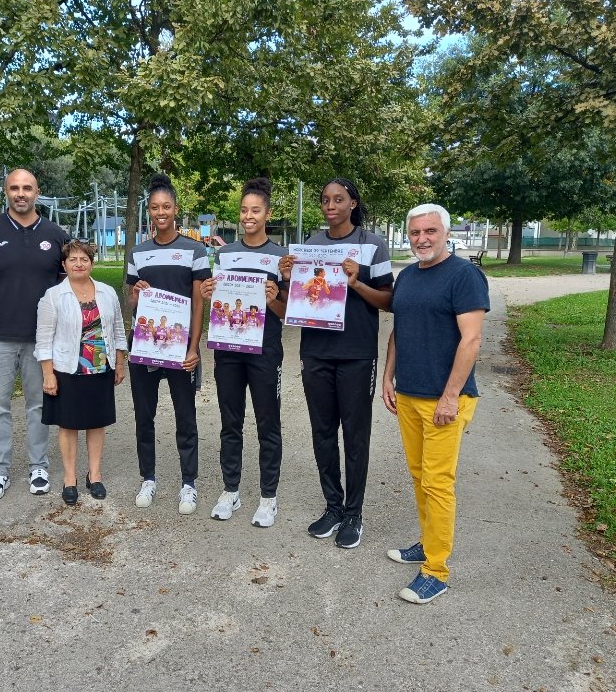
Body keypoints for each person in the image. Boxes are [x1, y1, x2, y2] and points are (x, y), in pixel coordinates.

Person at [381, 203, 489, 604]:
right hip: (409, 395)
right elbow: (399, 329)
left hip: (446, 400)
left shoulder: (465, 276)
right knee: (418, 474)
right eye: (415, 233)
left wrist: (450, 395)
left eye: (430, 232)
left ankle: (436, 570)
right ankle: (428, 543)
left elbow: (472, 340)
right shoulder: (407, 276)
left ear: (446, 233)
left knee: (438, 483)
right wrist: (388, 376)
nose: (422, 239)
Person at [279, 178, 392, 548]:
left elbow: (388, 301)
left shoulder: (372, 245)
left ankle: (354, 512)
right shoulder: (310, 245)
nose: (331, 205)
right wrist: (287, 278)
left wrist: (356, 283)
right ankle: (333, 506)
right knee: (322, 432)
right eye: (325, 199)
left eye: (339, 199)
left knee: (355, 435)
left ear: (353, 203)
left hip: (357, 353)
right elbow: (295, 301)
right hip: (316, 352)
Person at [0, 168, 69, 501]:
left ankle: (39, 465)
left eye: (28, 188)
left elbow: (68, 281)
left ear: (37, 192)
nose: (21, 194)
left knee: (39, 404)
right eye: (15, 188)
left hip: (41, 339)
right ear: (5, 192)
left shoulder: (56, 233)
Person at [201, 177, 287, 528]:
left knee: (268, 423)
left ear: (267, 214)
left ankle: (269, 498)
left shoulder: (281, 257)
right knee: (229, 422)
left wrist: (274, 298)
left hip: (266, 349)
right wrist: (209, 293)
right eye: (243, 210)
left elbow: (286, 312)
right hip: (229, 349)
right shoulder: (225, 253)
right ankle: (231, 490)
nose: (248, 216)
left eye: (255, 210)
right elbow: (220, 302)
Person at [127, 173, 212, 514]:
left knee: (185, 416)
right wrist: (135, 296)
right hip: (145, 347)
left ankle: (188, 483)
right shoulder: (138, 252)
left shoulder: (195, 250)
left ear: (176, 209)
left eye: (166, 206)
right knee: (143, 417)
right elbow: (134, 301)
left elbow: (199, 303)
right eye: (154, 207)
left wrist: (194, 348)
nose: (160, 212)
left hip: (181, 351)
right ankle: (148, 477)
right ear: (149, 211)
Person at [35, 240, 127, 504]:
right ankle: (70, 478)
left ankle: (95, 475)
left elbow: (118, 330)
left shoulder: (108, 293)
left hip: (101, 367)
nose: (78, 263)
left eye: (84, 259)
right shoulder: (54, 296)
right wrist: (48, 374)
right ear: (64, 264)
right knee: (69, 424)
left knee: (97, 423)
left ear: (91, 263)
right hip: (67, 369)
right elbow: (43, 339)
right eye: (73, 259)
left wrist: (119, 363)